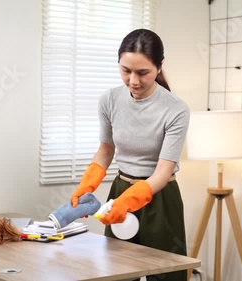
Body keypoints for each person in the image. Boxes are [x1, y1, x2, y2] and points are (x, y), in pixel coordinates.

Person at [70, 28, 190, 281]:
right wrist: (87, 184)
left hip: (160, 199)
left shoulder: (176, 109)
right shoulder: (110, 100)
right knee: (116, 272)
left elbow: (163, 171)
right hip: (120, 190)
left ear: (159, 67)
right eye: (126, 70)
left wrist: (129, 201)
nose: (133, 80)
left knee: (166, 274)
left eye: (142, 72)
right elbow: (106, 149)